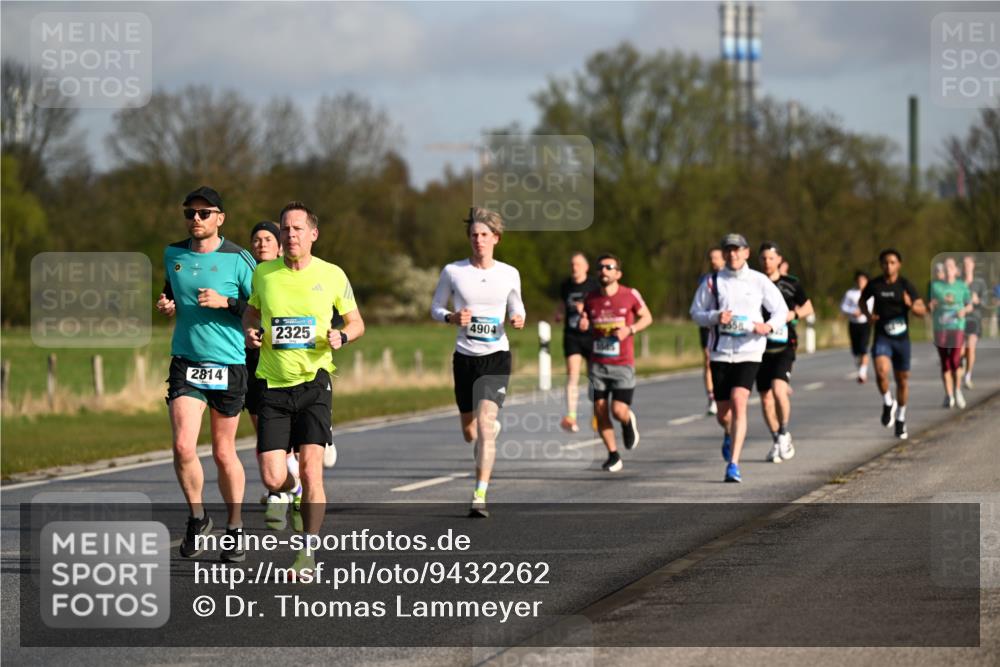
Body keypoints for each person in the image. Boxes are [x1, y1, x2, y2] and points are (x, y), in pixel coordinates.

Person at [243, 201, 365, 577]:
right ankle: (289, 490)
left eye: (297, 228)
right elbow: (250, 312)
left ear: (313, 234)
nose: (290, 234)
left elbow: (357, 322)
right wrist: (249, 331)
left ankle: (306, 554)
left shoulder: (332, 274)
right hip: (273, 385)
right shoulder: (264, 274)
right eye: (285, 229)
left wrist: (342, 335)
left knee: (314, 470)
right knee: (270, 475)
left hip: (315, 382)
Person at [156, 186, 255, 561]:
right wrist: (166, 303)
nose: (195, 219)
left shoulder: (238, 258)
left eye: (203, 212)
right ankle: (197, 518)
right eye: (190, 213)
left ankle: (235, 527)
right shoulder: (173, 254)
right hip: (186, 361)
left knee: (222, 451)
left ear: (220, 218)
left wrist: (226, 301)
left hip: (228, 363)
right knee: (183, 446)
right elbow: (171, 291)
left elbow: (258, 309)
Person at [431, 207, 525, 518]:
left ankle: (479, 494)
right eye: (474, 235)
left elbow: (517, 304)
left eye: (484, 235)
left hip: (496, 357)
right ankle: (483, 434)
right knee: (470, 432)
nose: (478, 240)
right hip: (465, 357)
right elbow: (435, 307)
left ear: (496, 238)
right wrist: (451, 317)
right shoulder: (453, 271)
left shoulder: (509, 273)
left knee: (486, 426)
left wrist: (517, 317)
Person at [690, 233, 787, 483]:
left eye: (737, 250)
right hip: (721, 352)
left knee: (739, 399)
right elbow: (695, 312)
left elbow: (781, 310)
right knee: (724, 415)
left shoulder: (759, 280)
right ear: (724, 254)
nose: (733, 254)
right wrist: (714, 317)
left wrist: (768, 326)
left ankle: (733, 464)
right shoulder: (713, 282)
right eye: (728, 250)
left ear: (746, 252)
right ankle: (728, 432)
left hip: (750, 350)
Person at [577, 253, 653, 472]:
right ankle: (613, 455)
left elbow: (647, 317)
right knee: (600, 411)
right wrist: (583, 324)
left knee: (618, 410)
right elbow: (586, 322)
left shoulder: (629, 295)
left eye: (609, 267)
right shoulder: (590, 298)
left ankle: (627, 422)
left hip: (622, 363)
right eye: (600, 267)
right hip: (597, 363)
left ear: (618, 273)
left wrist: (630, 329)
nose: (604, 270)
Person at [860, 248, 927, 440]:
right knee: (881, 372)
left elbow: (921, 311)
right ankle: (888, 402)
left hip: (902, 340)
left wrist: (910, 304)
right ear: (881, 265)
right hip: (882, 337)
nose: (888, 266)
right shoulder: (875, 285)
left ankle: (901, 418)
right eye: (885, 263)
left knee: (902, 380)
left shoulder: (905, 285)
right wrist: (868, 316)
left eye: (892, 262)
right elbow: (862, 301)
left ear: (899, 264)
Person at [755, 242, 813, 463]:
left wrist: (792, 314)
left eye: (770, 258)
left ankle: (783, 432)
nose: (767, 262)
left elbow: (808, 307)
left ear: (779, 259)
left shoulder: (791, 284)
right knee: (765, 398)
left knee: (779, 390)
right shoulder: (753, 283)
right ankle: (778, 439)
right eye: (763, 259)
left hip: (784, 345)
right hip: (759, 348)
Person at [554, 253, 600, 433]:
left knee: (593, 376)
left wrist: (586, 312)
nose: (575, 268)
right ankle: (571, 416)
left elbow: (601, 306)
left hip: (591, 335)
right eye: (572, 264)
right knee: (572, 374)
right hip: (572, 335)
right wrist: (559, 314)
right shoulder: (566, 285)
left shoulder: (594, 285)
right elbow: (562, 303)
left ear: (586, 267)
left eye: (578, 265)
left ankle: (597, 413)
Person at [928, 257, 972, 409]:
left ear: (956, 270)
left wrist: (964, 310)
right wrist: (931, 305)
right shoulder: (935, 286)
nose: (948, 269)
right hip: (940, 328)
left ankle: (958, 390)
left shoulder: (961, 286)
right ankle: (949, 395)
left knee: (954, 360)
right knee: (945, 362)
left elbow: (970, 305)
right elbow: (930, 304)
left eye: (951, 267)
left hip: (957, 326)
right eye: (945, 267)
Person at [698, 247, 726, 415]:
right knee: (708, 360)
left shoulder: (732, 279)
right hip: (708, 325)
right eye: (711, 258)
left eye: (716, 257)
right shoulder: (705, 280)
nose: (713, 261)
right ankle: (712, 398)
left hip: (726, 327)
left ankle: (724, 393)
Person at [840, 271, 874, 383]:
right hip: (853, 323)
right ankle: (860, 366)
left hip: (865, 323)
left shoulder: (871, 293)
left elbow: (872, 307)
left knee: (864, 348)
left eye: (863, 280)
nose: (861, 283)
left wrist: (864, 312)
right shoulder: (850, 293)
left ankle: (862, 373)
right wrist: (852, 311)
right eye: (859, 281)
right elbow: (843, 306)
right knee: (855, 350)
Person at [962, 255, 989, 389]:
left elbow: (986, 302)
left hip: (974, 319)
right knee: (961, 350)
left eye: (968, 264)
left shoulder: (979, 283)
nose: (966, 266)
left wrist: (978, 300)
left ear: (973, 265)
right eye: (964, 264)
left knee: (971, 346)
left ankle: (968, 375)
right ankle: (962, 362)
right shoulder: (958, 283)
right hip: (959, 320)